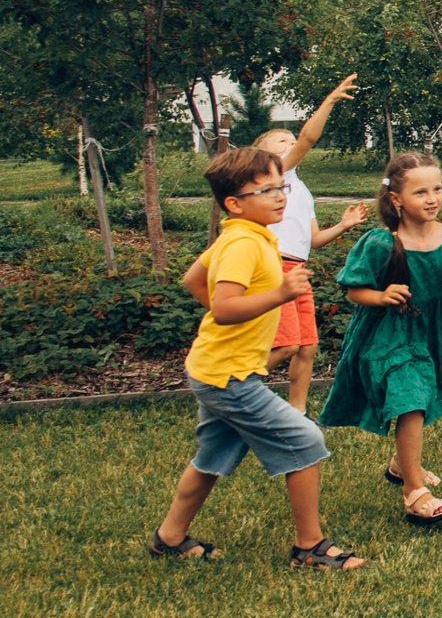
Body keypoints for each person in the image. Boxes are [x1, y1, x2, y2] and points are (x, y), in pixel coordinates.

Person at [147, 146, 363, 570]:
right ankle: (310, 548)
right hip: (229, 377)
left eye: (282, 186)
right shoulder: (244, 243)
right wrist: (280, 294)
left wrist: (249, 320)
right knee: (305, 440)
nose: (282, 195)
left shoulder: (249, 235)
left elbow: (194, 279)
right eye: (268, 189)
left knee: (210, 460)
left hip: (218, 370)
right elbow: (224, 308)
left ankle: (169, 538)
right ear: (234, 203)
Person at [318, 152, 442, 525]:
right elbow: (353, 289)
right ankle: (415, 491)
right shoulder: (380, 243)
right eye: (420, 192)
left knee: (423, 397)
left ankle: (400, 463)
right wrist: (379, 296)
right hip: (391, 331)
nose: (432, 199)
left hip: (439, 329)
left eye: (436, 189)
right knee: (410, 399)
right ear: (396, 199)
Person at [254, 74, 369, 412]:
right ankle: (231, 380)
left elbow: (314, 240)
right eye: (281, 141)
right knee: (287, 345)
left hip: (297, 269)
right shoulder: (276, 174)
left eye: (290, 139)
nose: (291, 143)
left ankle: (298, 413)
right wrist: (330, 101)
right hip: (276, 267)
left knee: (306, 346)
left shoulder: (299, 187)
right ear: (264, 156)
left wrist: (343, 225)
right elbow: (308, 137)